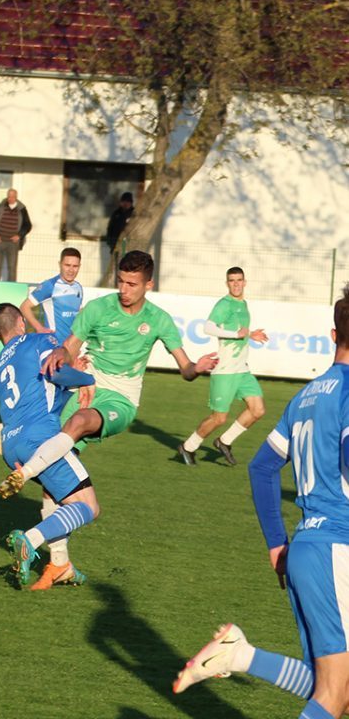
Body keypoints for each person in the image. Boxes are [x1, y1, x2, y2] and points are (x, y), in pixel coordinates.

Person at [173, 284, 349, 719]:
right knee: (333, 692)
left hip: (308, 549)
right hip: (337, 549)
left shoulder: (307, 394)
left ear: (334, 335)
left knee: (336, 690)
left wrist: (276, 543)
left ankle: (240, 655)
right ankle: (238, 655)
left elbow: (263, 467)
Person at [0, 250, 218, 497]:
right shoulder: (98, 308)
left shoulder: (159, 320)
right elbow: (70, 347)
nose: (124, 289)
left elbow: (186, 369)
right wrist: (61, 353)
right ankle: (43, 523)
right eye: (120, 281)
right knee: (57, 472)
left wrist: (196, 368)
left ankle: (24, 474)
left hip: (121, 398)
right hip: (86, 389)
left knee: (78, 422)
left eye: (132, 284)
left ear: (148, 284)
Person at [0, 302, 100, 590]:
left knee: (55, 496)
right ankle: (30, 540)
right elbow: (56, 374)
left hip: (12, 447)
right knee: (88, 506)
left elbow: (42, 396)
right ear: (21, 323)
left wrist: (71, 383)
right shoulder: (38, 341)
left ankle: (61, 565)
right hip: (40, 439)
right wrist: (86, 379)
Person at [178, 266, 268, 467]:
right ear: (227, 283)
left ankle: (224, 441)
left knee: (258, 410)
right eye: (232, 281)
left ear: (245, 282)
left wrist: (250, 334)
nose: (236, 284)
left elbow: (238, 330)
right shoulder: (224, 304)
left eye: (239, 280)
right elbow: (208, 327)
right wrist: (237, 334)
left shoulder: (243, 304)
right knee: (219, 418)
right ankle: (188, 447)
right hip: (225, 371)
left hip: (242, 370)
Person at [19, 247, 83, 343]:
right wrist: (39, 328)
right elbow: (24, 307)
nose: (71, 270)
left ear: (79, 266)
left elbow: (78, 313)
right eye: (67, 265)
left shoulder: (78, 287)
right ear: (60, 264)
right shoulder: (49, 285)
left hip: (71, 345)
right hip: (54, 344)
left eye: (75, 266)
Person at [0, 188, 32, 282]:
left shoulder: (22, 210)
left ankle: (11, 287)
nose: (10, 199)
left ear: (16, 197)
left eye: (12, 197)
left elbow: (28, 225)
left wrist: (19, 235)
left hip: (13, 244)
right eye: (9, 196)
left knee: (12, 268)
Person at [105, 191, 134, 256]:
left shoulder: (133, 213)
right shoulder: (116, 213)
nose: (125, 203)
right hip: (115, 243)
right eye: (123, 201)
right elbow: (110, 227)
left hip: (128, 244)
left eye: (127, 202)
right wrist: (110, 241)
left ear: (131, 203)